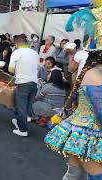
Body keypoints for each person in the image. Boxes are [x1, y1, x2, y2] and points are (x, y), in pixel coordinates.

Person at [45, 51, 102, 180]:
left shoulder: (91, 72)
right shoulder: (95, 75)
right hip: (89, 137)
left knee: (73, 174)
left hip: (82, 133)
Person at [9, 35, 39, 137]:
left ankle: (22, 130)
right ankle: (20, 121)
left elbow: (11, 69)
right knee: (28, 105)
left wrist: (18, 71)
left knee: (21, 106)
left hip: (23, 82)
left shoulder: (16, 52)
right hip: (34, 82)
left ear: (17, 43)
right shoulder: (35, 53)